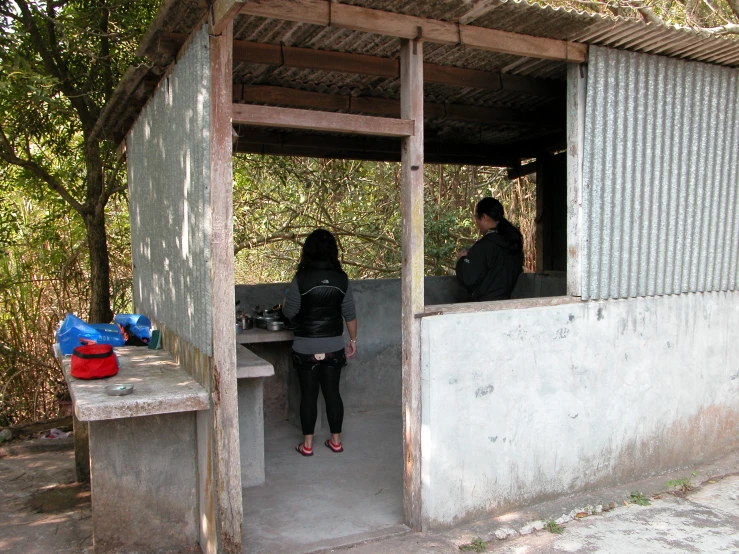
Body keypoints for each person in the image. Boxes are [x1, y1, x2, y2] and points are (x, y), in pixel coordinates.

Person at [282, 229, 358, 457]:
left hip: (305, 347)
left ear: (308, 252)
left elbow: (289, 312)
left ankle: (307, 446)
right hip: (334, 346)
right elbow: (350, 314)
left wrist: (287, 303)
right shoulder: (342, 279)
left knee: (308, 395)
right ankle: (336, 442)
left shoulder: (300, 279)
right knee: (332, 393)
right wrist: (352, 340)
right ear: (333, 252)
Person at [456, 197, 524, 302]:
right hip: (508, 304)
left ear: (484, 217)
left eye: (476, 218)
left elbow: (468, 280)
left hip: (486, 307)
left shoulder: (484, 246)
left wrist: (461, 261)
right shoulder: (514, 243)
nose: (476, 223)